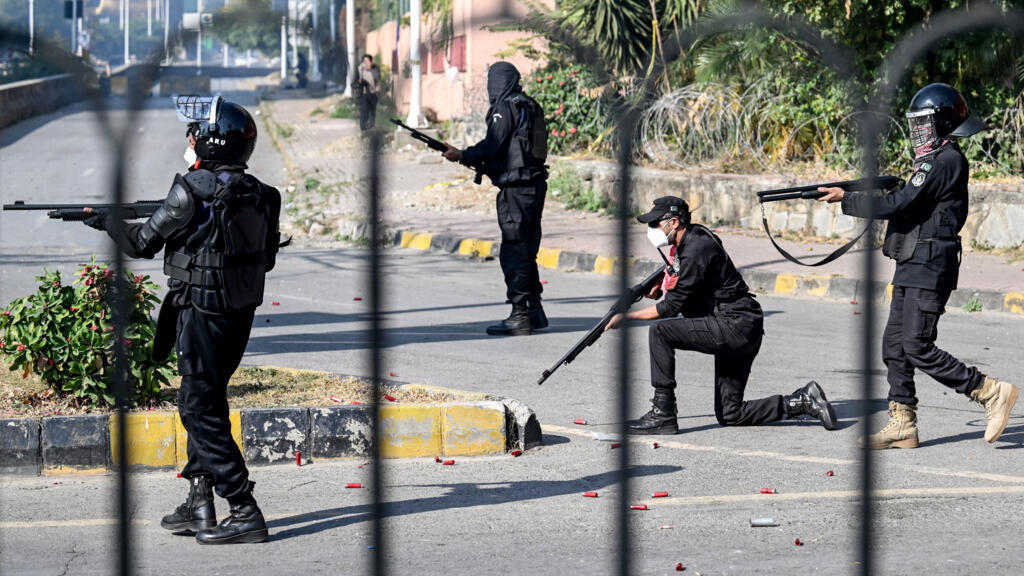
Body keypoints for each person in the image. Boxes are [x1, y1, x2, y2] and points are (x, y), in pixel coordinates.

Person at [83, 96, 282, 543]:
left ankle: (244, 508)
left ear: (209, 141)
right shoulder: (264, 195)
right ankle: (200, 503)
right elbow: (264, 260)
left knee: (198, 406)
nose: (188, 140)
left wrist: (108, 222)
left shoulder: (191, 189)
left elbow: (142, 244)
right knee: (206, 399)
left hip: (201, 313)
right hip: (238, 314)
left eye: (193, 133)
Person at [817, 83, 1018, 449]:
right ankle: (903, 423)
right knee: (894, 345)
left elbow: (899, 202)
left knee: (917, 344)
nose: (919, 132)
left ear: (942, 123)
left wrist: (849, 199)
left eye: (925, 124)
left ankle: (989, 391)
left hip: (931, 264)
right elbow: (907, 200)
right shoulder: (933, 160)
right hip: (913, 259)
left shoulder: (945, 160)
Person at [604, 196, 838, 435]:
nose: (651, 230)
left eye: (655, 223)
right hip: (742, 325)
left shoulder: (695, 249)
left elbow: (670, 308)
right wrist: (659, 291)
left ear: (673, 222)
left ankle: (663, 413)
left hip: (734, 325)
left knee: (660, 331)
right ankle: (802, 402)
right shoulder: (695, 238)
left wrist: (627, 318)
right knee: (730, 413)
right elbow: (688, 289)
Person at [442, 62, 549, 335]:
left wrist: (463, 154)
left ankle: (519, 314)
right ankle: (535, 311)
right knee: (527, 250)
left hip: (516, 191)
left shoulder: (505, 107)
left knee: (514, 251)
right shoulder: (529, 104)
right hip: (534, 186)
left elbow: (493, 144)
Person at [355, 54, 381, 130]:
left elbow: (377, 78)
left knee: (372, 112)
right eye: (364, 61)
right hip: (365, 93)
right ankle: (363, 129)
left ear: (371, 61)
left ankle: (371, 128)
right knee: (364, 111)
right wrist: (360, 80)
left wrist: (369, 69)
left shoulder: (375, 68)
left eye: (367, 61)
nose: (365, 62)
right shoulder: (360, 68)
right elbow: (357, 80)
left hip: (374, 93)